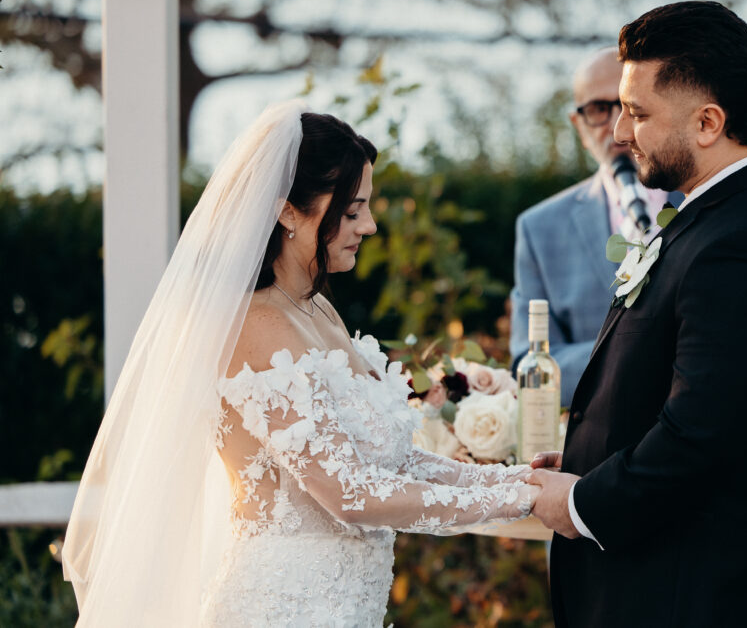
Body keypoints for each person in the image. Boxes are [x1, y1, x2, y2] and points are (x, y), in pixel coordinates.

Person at [62, 101, 538, 626]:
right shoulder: (258, 326)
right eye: (353, 211)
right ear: (288, 211)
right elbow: (349, 493)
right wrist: (519, 501)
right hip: (283, 607)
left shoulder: (316, 309)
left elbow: (395, 465)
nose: (371, 225)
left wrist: (518, 481)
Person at [528, 2, 747, 627]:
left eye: (638, 113)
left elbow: (704, 432)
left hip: (697, 597)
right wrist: (590, 457)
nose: (619, 132)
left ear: (707, 122)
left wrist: (585, 502)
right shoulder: (707, 220)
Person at [511, 47, 682, 407]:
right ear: (578, 124)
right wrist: (637, 350)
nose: (616, 125)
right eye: (597, 110)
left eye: (627, 105)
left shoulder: (704, 200)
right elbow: (529, 363)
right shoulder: (539, 229)